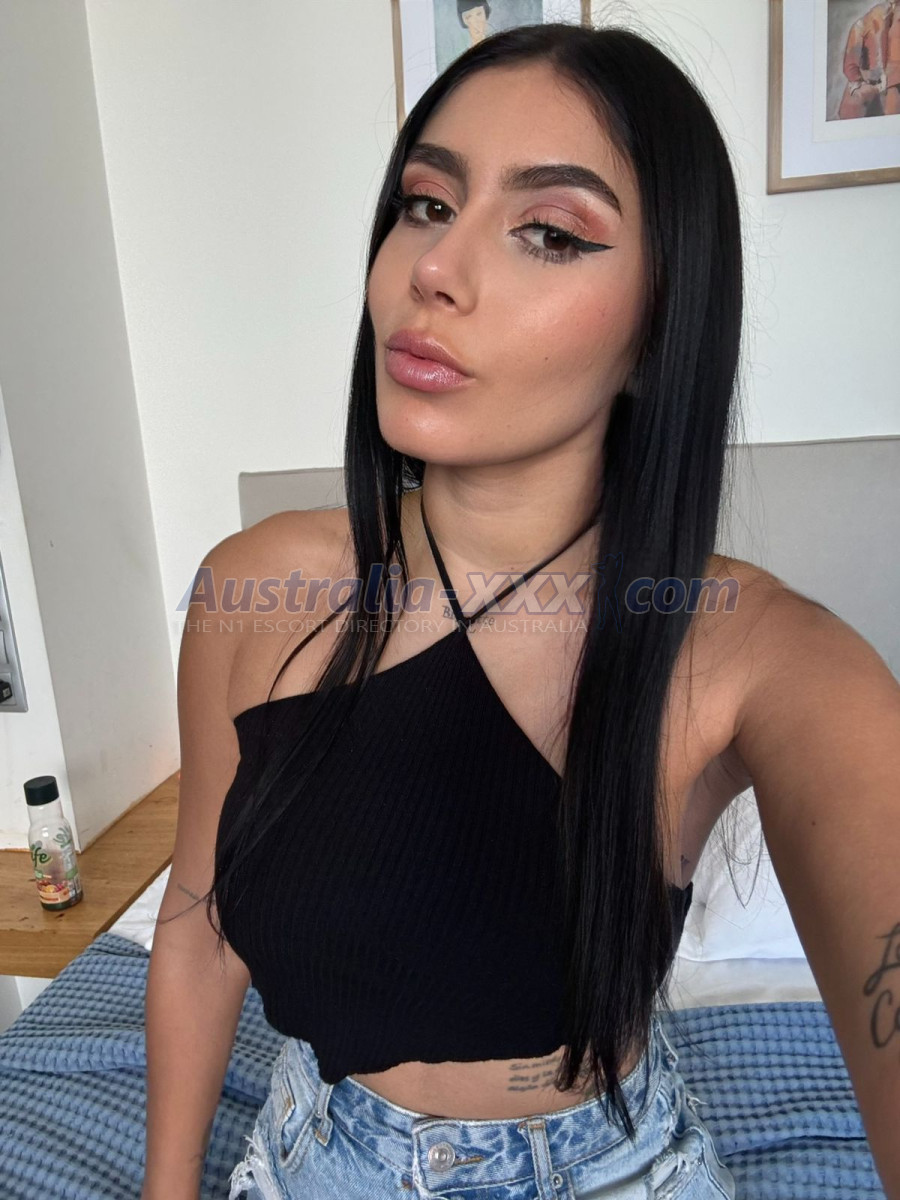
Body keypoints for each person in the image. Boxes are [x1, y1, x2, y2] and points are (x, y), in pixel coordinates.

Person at [141, 20, 900, 1200]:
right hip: (308, 1152)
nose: (433, 270)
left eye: (549, 231)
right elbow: (196, 924)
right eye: (427, 204)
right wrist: (166, 1188)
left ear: (658, 329)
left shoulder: (755, 652)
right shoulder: (252, 589)